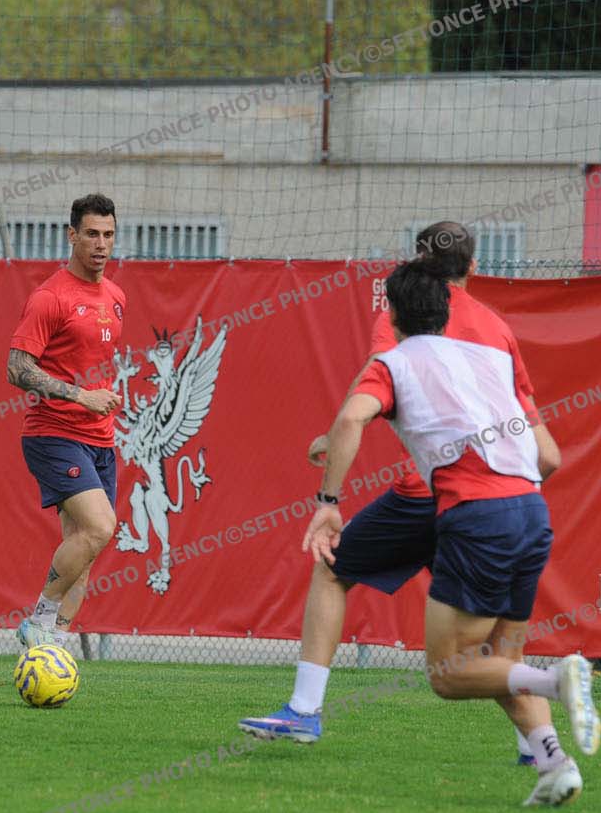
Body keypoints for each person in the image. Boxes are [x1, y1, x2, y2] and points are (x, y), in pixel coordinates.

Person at [240, 223, 560, 769]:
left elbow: (374, 387)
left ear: (415, 268)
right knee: (500, 646)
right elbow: (544, 450)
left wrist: (333, 449)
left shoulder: (408, 315)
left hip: (432, 494)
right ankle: (542, 750)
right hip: (508, 501)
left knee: (334, 568)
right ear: (473, 267)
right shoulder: (497, 329)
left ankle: (305, 710)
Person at [300, 258, 601, 807]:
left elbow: (350, 419)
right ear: (446, 310)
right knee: (500, 656)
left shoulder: (393, 363)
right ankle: (555, 764)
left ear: (392, 316)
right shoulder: (490, 357)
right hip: (531, 511)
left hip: (477, 516)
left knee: (448, 673)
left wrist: (328, 503)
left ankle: (557, 680)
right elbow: (547, 453)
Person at [5, 194, 125, 647]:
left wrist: (99, 400)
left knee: (86, 548)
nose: (101, 243)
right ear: (72, 235)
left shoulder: (116, 297)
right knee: (100, 526)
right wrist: (81, 396)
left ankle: (49, 649)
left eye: (108, 234)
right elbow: (17, 369)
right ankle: (38, 619)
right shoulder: (50, 298)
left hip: (100, 439)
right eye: (91, 234)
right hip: (52, 433)